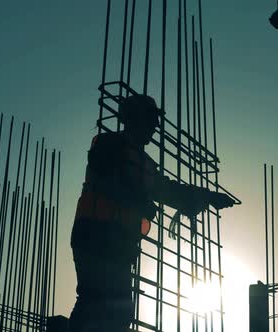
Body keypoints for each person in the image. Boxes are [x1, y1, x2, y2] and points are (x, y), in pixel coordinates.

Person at [68, 94, 235, 332]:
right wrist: (139, 201)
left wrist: (207, 196)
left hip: (118, 244)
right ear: (136, 120)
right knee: (95, 304)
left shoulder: (144, 163)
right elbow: (106, 182)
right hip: (96, 236)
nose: (155, 128)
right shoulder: (109, 145)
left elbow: (167, 190)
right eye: (151, 121)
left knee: (117, 312)